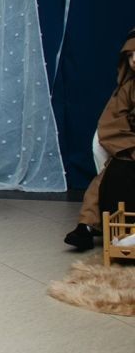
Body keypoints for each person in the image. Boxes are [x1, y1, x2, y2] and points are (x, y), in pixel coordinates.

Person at [65, 27, 135, 250]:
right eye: (132, 56)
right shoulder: (127, 89)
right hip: (129, 147)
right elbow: (112, 124)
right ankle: (88, 226)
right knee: (111, 174)